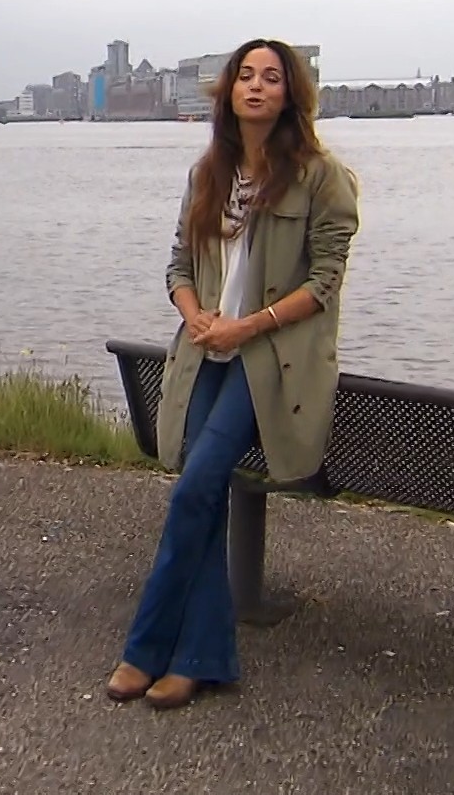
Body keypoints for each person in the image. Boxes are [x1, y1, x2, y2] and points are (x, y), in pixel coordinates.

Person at [106, 38, 360, 710]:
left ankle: (146, 646)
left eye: (270, 77)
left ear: (290, 94)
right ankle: (202, 658)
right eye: (245, 75)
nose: (255, 86)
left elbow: (324, 283)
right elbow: (178, 266)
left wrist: (246, 327)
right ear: (228, 92)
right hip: (207, 350)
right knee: (206, 495)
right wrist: (196, 316)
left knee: (194, 488)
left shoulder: (320, 178)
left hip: (269, 359)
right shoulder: (208, 174)